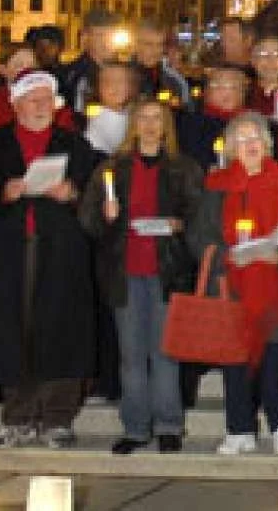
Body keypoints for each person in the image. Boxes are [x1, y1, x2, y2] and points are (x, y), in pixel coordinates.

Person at [0, 70, 101, 448]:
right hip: (7, 250)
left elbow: (94, 194)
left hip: (59, 249)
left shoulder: (74, 145)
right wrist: (3, 192)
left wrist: (71, 192)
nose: (41, 106)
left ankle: (57, 418)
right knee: (11, 332)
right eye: (33, 99)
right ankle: (17, 416)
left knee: (61, 330)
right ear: (16, 103)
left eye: (47, 99)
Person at [190, 112, 278, 456]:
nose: (250, 145)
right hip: (231, 284)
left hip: (275, 283)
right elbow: (201, 234)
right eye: (242, 140)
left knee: (277, 360)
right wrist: (225, 255)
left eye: (256, 138)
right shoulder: (216, 185)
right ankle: (239, 428)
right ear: (230, 148)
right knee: (236, 361)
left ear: (268, 144)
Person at [82, 97, 203, 454]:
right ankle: (135, 427)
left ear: (166, 126)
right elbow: (87, 220)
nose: (150, 126)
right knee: (131, 355)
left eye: (157, 119)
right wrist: (107, 215)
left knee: (166, 353)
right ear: (132, 125)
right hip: (125, 271)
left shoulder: (184, 168)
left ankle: (168, 424)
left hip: (167, 270)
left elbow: (200, 217)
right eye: (143, 119)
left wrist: (179, 225)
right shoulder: (112, 169)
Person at [60, 7, 124, 115]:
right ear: (85, 37)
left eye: (111, 35)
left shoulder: (128, 72)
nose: (106, 41)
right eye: (100, 35)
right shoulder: (73, 75)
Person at [132, 19, 193, 110]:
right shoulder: (120, 77)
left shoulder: (175, 80)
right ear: (136, 45)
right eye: (149, 44)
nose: (155, 50)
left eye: (160, 45)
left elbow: (185, 114)